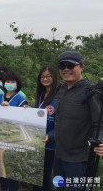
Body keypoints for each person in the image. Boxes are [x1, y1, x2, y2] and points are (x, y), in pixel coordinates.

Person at [54, 51, 103, 191]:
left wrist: (100, 140)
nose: (66, 69)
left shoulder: (92, 92)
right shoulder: (61, 89)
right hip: (59, 155)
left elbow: (100, 123)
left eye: (70, 65)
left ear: (82, 67)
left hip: (78, 159)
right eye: (62, 66)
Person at [0, 71, 28, 191]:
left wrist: (27, 110)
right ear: (4, 83)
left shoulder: (22, 100)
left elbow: (24, 119)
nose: (10, 84)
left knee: (13, 169)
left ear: (17, 84)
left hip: (15, 139)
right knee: (1, 167)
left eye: (13, 82)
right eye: (8, 81)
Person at [32, 65, 59, 191]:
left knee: (45, 176)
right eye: (43, 76)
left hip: (50, 144)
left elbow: (62, 121)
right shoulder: (40, 95)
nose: (45, 79)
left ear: (54, 77)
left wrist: (51, 134)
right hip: (37, 142)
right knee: (35, 175)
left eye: (48, 76)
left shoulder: (59, 95)